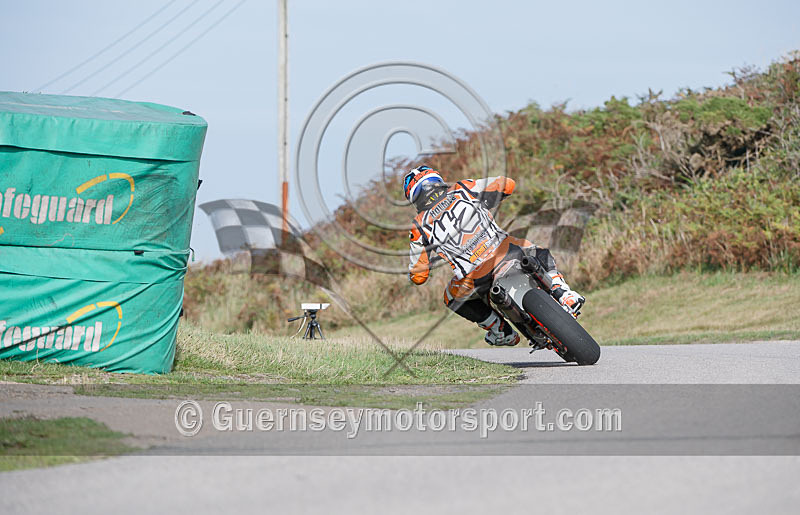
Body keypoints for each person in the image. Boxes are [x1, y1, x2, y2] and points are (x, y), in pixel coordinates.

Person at [403, 165, 585, 346]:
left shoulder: (418, 227)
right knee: (538, 251)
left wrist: (419, 271)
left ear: (414, 198)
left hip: (475, 277)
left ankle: (500, 330)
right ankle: (563, 293)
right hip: (507, 250)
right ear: (438, 181)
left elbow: (419, 276)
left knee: (450, 298)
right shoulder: (464, 188)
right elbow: (508, 184)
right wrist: (492, 198)